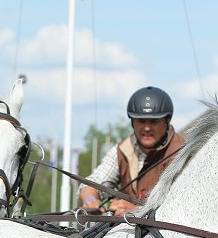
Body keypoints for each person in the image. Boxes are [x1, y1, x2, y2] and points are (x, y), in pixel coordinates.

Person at [79, 86, 185, 214]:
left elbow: (183, 206)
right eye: (141, 121)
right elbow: (91, 184)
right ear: (132, 122)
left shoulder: (183, 153)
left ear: (167, 121)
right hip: (124, 231)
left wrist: (136, 210)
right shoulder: (123, 150)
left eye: (154, 122)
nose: (146, 128)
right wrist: (91, 199)